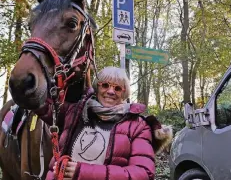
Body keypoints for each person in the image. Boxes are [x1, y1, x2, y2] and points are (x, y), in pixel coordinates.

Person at [35, 66, 172, 180]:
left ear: (124, 93)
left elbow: (143, 173)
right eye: (105, 85)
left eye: (118, 88)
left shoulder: (138, 125)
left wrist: (82, 172)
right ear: (97, 87)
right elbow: (39, 102)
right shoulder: (75, 111)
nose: (111, 91)